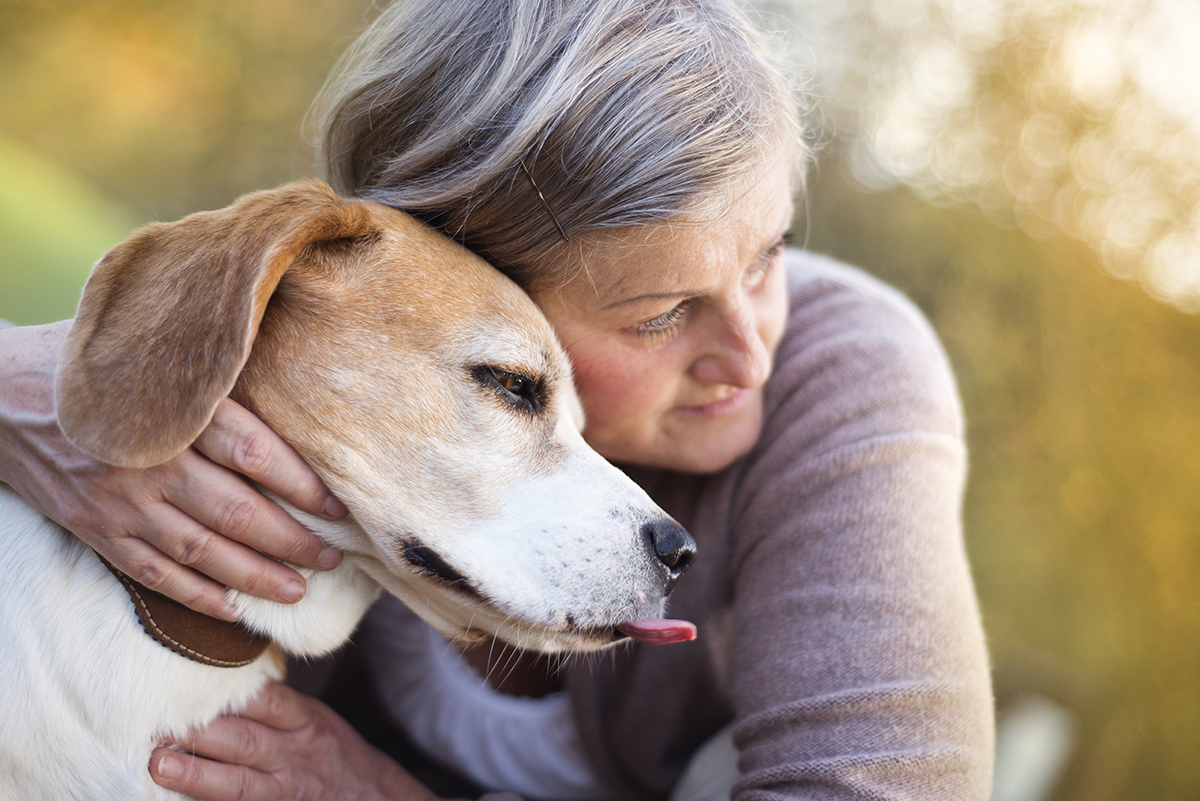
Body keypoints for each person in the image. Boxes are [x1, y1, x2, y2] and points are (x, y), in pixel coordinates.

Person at [0, 0, 994, 799]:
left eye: (770, 253)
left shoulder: (842, 375)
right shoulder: (348, 311)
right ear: (465, 270)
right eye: (660, 313)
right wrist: (26, 394)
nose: (751, 354)